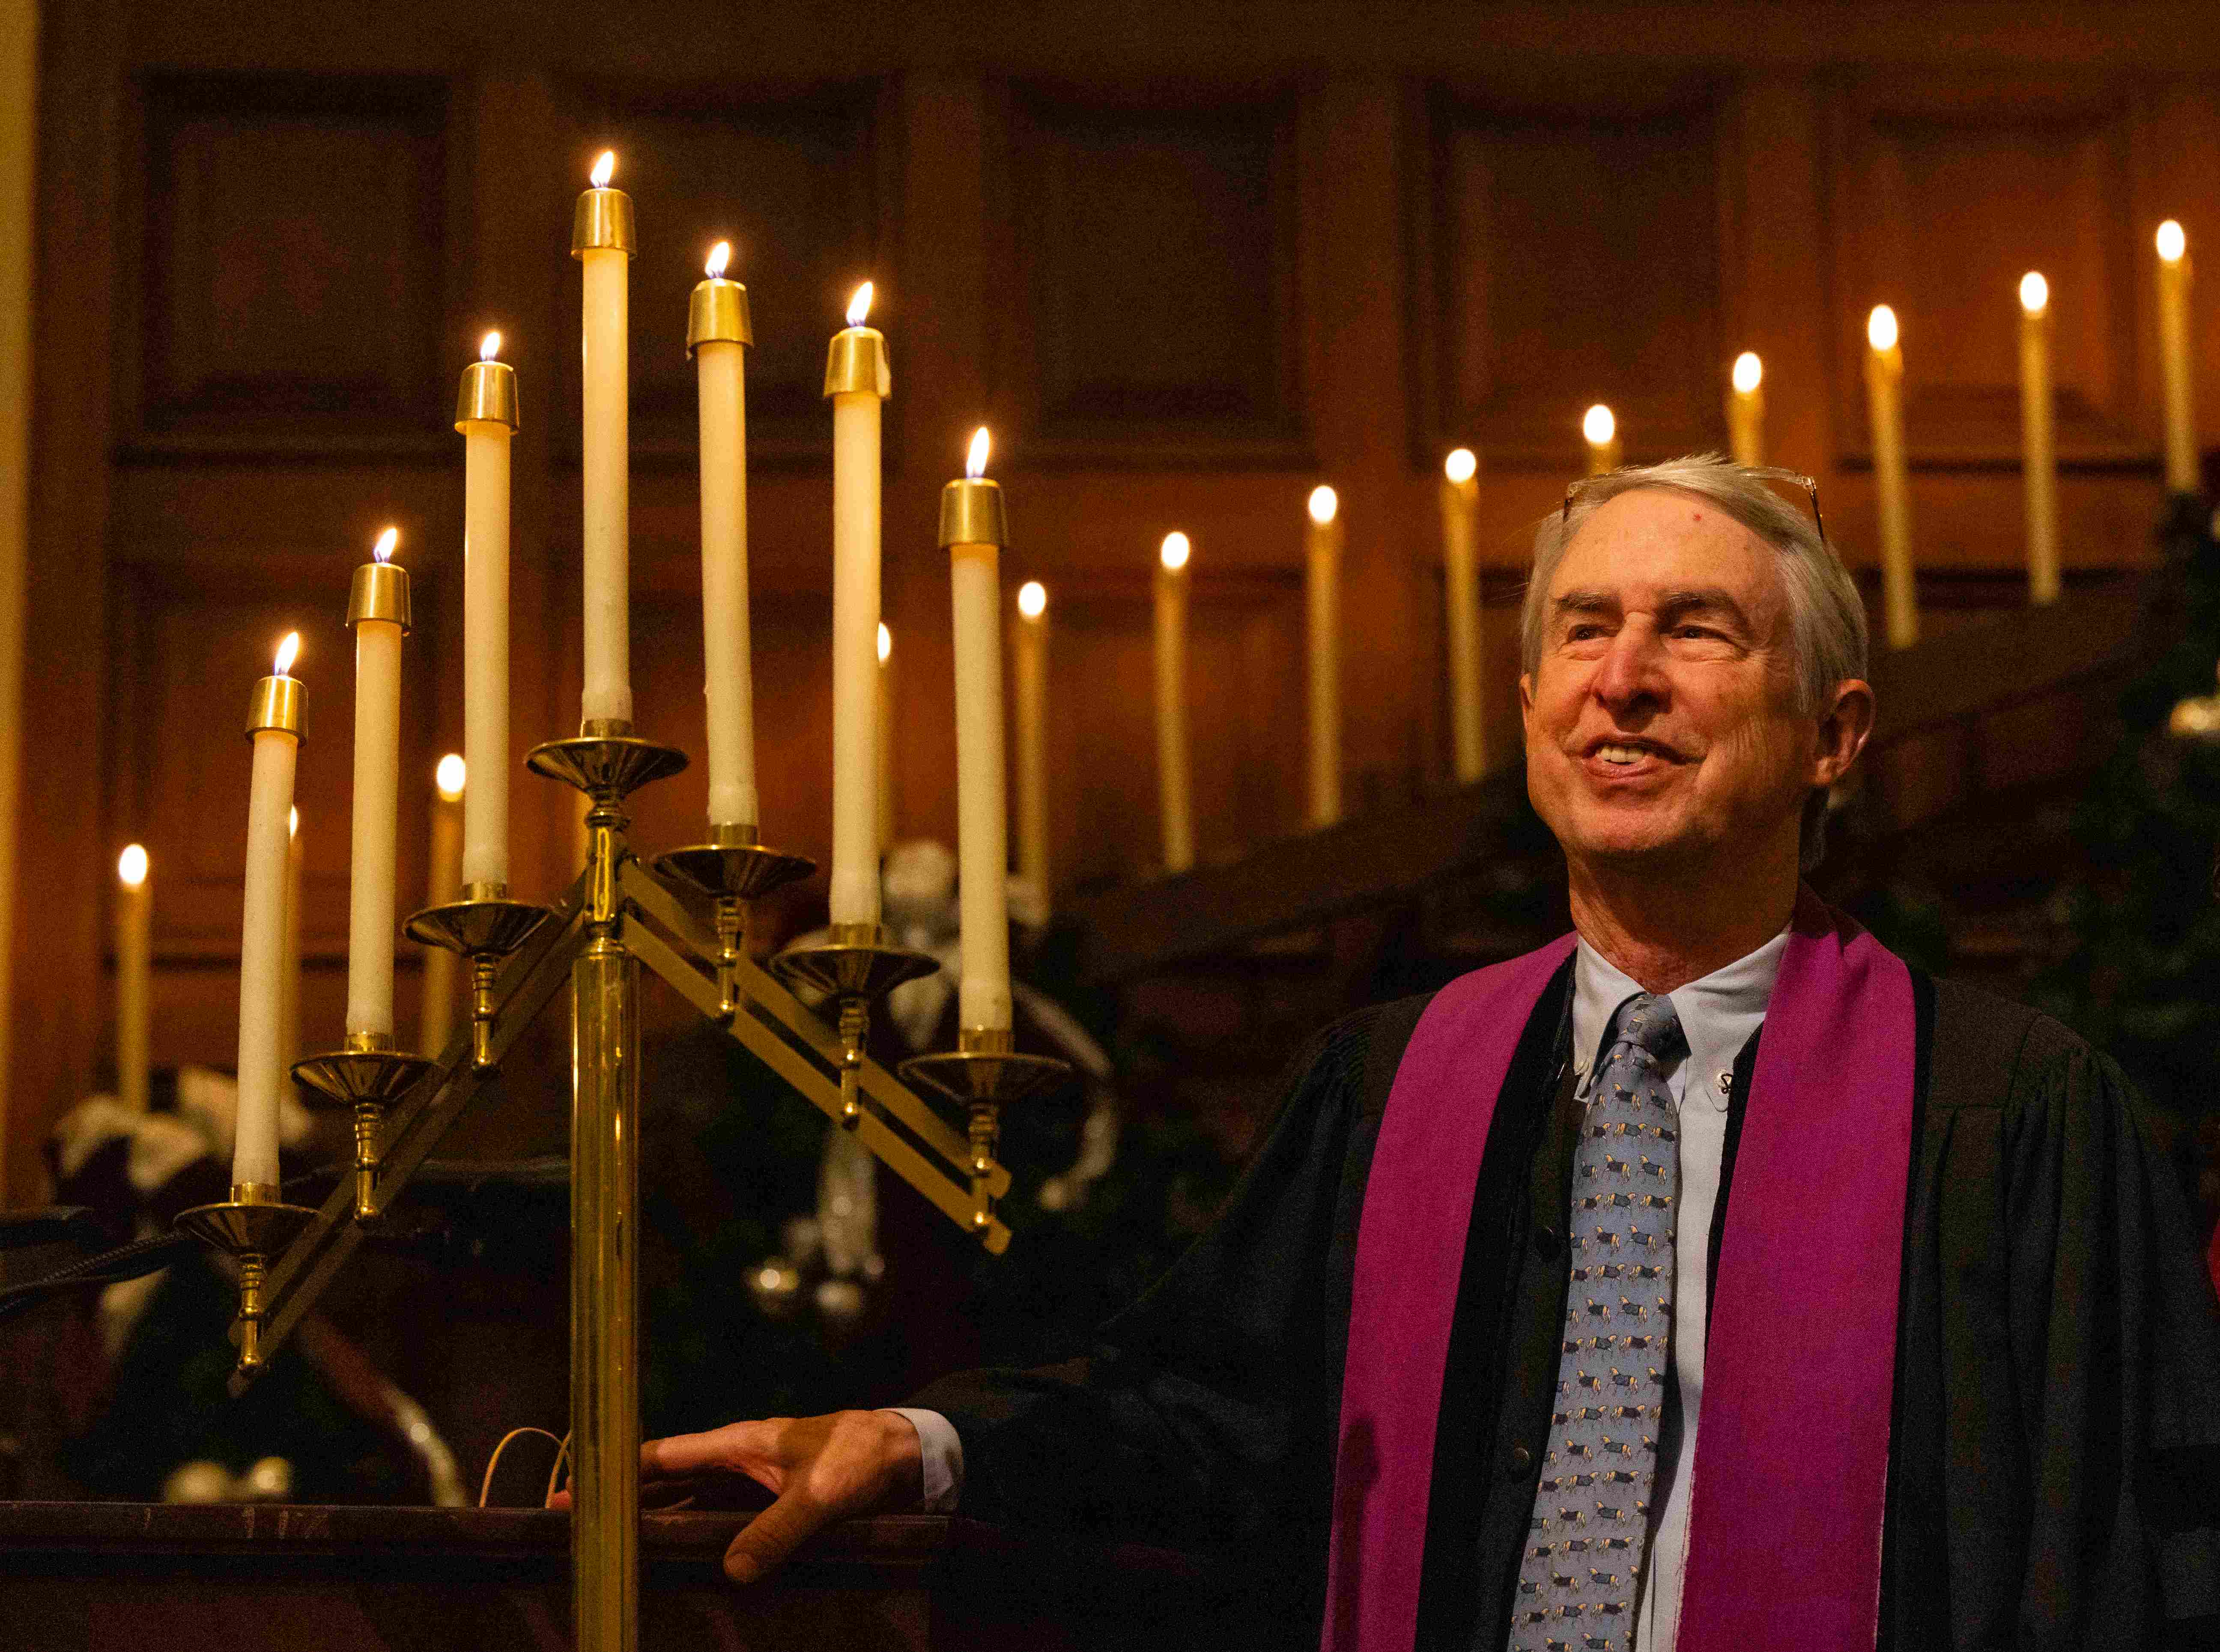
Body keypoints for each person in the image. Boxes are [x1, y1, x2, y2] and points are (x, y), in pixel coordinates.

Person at [612, 457, 2220, 1650]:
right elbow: (1208, 1417)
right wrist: (926, 1441)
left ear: (1837, 733)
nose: (1624, 678)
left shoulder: (2013, 1116)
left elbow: (2126, 1573)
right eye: (1584, 631)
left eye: (1698, 630)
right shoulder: (1397, 1088)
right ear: (1531, 707)